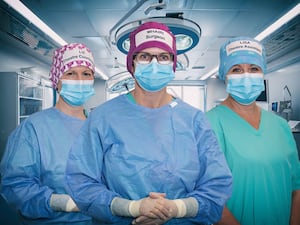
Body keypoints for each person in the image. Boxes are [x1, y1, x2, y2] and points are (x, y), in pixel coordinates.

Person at [64, 21, 232, 225]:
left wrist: (176, 208)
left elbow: (216, 185)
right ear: (132, 64)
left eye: (163, 57)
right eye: (145, 56)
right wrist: (131, 208)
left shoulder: (194, 120)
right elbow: (81, 182)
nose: (154, 64)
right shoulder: (103, 117)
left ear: (172, 64)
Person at [206, 37, 300, 225]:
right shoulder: (209, 123)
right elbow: (209, 197)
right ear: (224, 75)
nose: (246, 76)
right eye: (237, 69)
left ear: (262, 73)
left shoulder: (280, 126)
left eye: (254, 69)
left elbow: (296, 187)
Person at [0, 43, 96, 225]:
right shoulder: (33, 129)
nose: (80, 80)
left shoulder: (100, 127)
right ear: (56, 81)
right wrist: (67, 203)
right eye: (70, 74)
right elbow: (16, 187)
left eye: (86, 74)